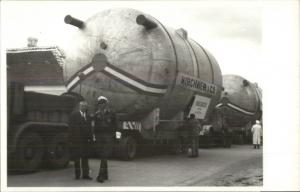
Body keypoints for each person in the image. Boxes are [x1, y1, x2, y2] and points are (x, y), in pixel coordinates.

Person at [93, 96, 119, 183]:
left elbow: (116, 126)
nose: (101, 105)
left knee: (104, 155)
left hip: (109, 136)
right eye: (100, 104)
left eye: (103, 103)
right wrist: (95, 137)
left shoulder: (112, 113)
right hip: (99, 137)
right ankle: (106, 174)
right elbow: (95, 127)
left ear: (106, 104)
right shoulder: (96, 114)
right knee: (102, 155)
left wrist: (115, 137)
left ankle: (100, 176)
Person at [68, 101, 93, 180]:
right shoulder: (74, 115)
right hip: (77, 140)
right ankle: (77, 175)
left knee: (85, 158)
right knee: (77, 158)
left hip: (86, 141)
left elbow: (90, 129)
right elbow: (71, 128)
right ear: (79, 106)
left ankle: (86, 175)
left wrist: (91, 139)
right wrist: (70, 140)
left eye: (85, 106)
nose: (84, 107)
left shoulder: (88, 116)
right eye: (82, 106)